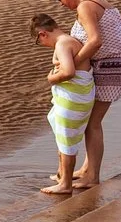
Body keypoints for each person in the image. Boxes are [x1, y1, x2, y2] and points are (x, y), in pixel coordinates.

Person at [51, 0, 121, 190]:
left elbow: (95, 41)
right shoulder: (96, 0)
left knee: (92, 124)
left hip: (109, 67)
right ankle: (86, 170)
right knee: (90, 122)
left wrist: (72, 63)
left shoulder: (85, 6)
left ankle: (92, 176)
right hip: (114, 66)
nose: (60, 4)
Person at [32, 13, 95, 197]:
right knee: (60, 129)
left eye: (38, 41)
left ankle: (66, 183)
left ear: (42, 33)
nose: (42, 44)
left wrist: (51, 78)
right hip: (77, 96)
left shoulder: (62, 44)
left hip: (73, 98)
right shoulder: (69, 40)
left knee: (67, 139)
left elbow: (68, 72)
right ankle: (62, 174)